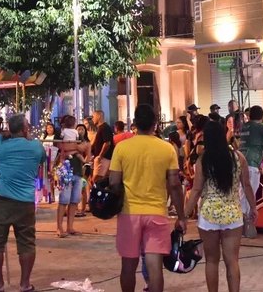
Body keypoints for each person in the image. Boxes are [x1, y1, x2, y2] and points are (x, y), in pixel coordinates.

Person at [109, 104, 187, 292]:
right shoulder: (167, 149)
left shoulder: (121, 148)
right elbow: (175, 185)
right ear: (155, 124)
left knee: (128, 266)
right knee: (154, 269)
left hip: (129, 213)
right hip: (157, 213)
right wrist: (182, 216)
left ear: (135, 123)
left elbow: (113, 182)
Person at [186, 120, 255, 292]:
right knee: (232, 261)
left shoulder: (203, 160)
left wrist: (184, 215)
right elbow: (246, 185)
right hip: (233, 215)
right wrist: (253, 208)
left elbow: (196, 190)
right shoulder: (239, 158)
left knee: (211, 261)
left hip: (208, 216)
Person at [0, 114, 46, 292]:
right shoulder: (35, 146)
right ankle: (25, 285)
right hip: (26, 203)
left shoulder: (0, 144)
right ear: (25, 129)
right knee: (26, 243)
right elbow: (42, 159)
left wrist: (1, 136)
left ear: (9, 129)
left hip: (2, 202)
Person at [54, 115, 87, 237]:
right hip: (66, 169)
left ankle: (70, 227)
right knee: (63, 200)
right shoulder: (60, 134)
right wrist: (75, 148)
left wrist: (72, 148)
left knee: (74, 201)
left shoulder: (77, 134)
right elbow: (59, 146)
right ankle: (59, 228)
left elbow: (84, 146)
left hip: (77, 170)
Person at [238, 105, 263, 202]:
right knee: (247, 195)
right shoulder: (258, 127)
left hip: (242, 163)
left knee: (242, 193)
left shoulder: (244, 127)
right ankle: (244, 216)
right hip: (251, 165)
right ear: (262, 117)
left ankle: (245, 215)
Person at [90, 111, 114, 182]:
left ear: (99, 116)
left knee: (97, 178)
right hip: (100, 158)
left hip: (103, 158)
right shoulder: (101, 128)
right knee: (96, 178)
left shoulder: (105, 127)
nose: (92, 119)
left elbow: (107, 143)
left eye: (93, 117)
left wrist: (100, 156)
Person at [74, 123, 92, 216]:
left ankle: (83, 209)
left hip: (85, 167)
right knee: (75, 188)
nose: (80, 131)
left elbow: (88, 157)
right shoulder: (72, 142)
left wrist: (84, 164)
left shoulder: (87, 143)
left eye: (82, 129)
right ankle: (75, 208)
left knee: (82, 188)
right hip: (74, 167)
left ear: (85, 131)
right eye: (78, 129)